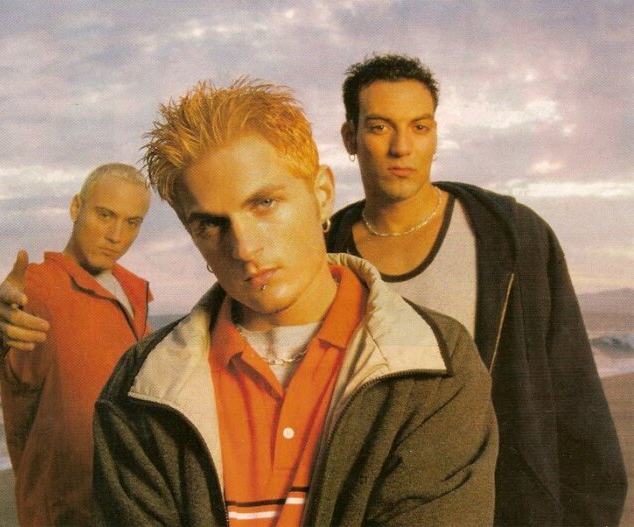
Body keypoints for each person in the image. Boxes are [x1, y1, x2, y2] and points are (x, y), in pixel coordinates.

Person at [92, 79, 497, 526]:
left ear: (322, 193)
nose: (244, 247)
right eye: (211, 225)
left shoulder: (437, 362)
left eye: (264, 203)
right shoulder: (141, 383)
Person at [326, 54, 627, 526]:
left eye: (419, 127)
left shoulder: (513, 238)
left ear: (434, 135)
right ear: (350, 137)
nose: (402, 147)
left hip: (508, 509)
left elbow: (577, 401)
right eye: (380, 127)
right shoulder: (324, 256)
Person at [0, 163, 153, 526]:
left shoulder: (135, 291)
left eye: (132, 222)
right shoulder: (38, 287)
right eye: (105, 215)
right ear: (76, 207)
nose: (116, 235)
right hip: (64, 513)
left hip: (132, 506)